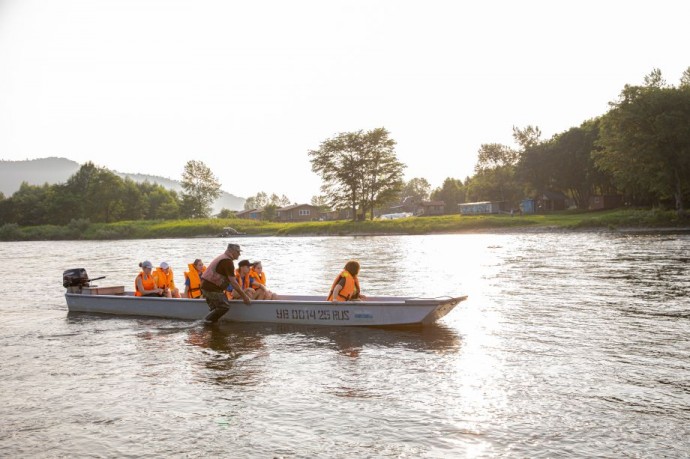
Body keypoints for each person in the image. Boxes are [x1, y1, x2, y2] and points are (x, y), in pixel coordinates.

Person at [200, 243, 251, 323]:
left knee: (216, 310)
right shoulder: (227, 261)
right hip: (211, 288)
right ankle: (204, 322)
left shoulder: (223, 258)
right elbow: (234, 282)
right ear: (232, 251)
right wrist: (244, 297)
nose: (239, 254)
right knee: (224, 307)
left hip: (207, 286)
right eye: (238, 252)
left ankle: (212, 328)